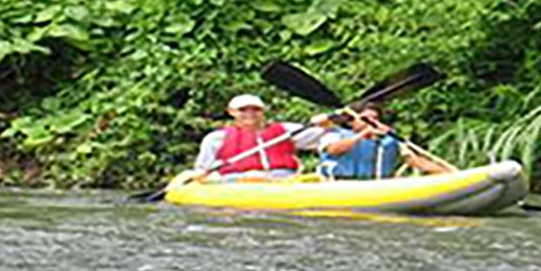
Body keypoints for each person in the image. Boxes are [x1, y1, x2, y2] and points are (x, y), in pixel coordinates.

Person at [190, 94, 326, 182]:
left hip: (282, 180)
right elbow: (202, 170)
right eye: (243, 110)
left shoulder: (286, 131)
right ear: (232, 112)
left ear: (262, 111)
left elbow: (324, 136)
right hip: (236, 181)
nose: (250, 114)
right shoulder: (216, 138)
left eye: (255, 110)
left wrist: (331, 122)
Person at [317, 102, 451, 180]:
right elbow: (334, 150)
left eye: (375, 119)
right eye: (365, 119)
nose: (371, 122)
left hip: (379, 186)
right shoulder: (333, 134)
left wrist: (451, 176)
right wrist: (363, 134)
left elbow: (419, 162)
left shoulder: (388, 140)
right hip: (339, 185)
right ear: (352, 121)